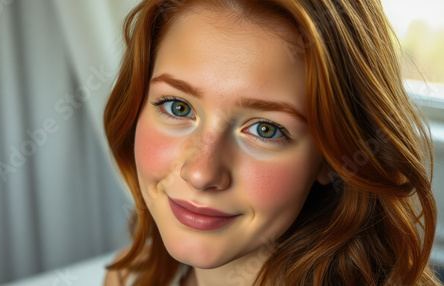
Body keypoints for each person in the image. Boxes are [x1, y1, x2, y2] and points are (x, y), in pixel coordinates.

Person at [103, 0, 442, 285]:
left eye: (266, 129)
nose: (201, 174)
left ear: (332, 156)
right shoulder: (131, 276)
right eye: (178, 107)